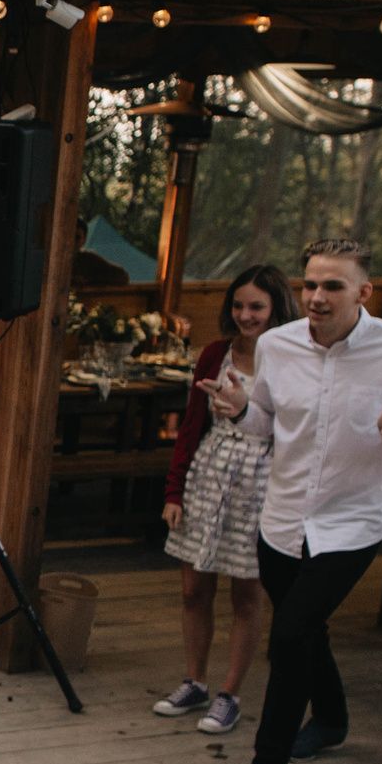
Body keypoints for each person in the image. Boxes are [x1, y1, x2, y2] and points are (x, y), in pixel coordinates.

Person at [199, 237, 382, 764]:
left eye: (332, 286)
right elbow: (265, 422)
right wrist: (239, 408)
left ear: (363, 292)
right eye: (309, 284)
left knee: (289, 637)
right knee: (306, 630)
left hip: (351, 523)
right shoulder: (278, 346)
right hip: (281, 519)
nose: (315, 296)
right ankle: (332, 719)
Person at [154, 265, 297, 733]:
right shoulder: (216, 354)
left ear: (276, 308)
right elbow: (190, 426)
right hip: (209, 474)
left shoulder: (293, 360)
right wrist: (174, 490)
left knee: (246, 593)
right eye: (238, 305)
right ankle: (194, 681)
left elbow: (297, 432)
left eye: (256, 306)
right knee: (194, 588)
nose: (245, 315)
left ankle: (230, 692)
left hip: (261, 481)